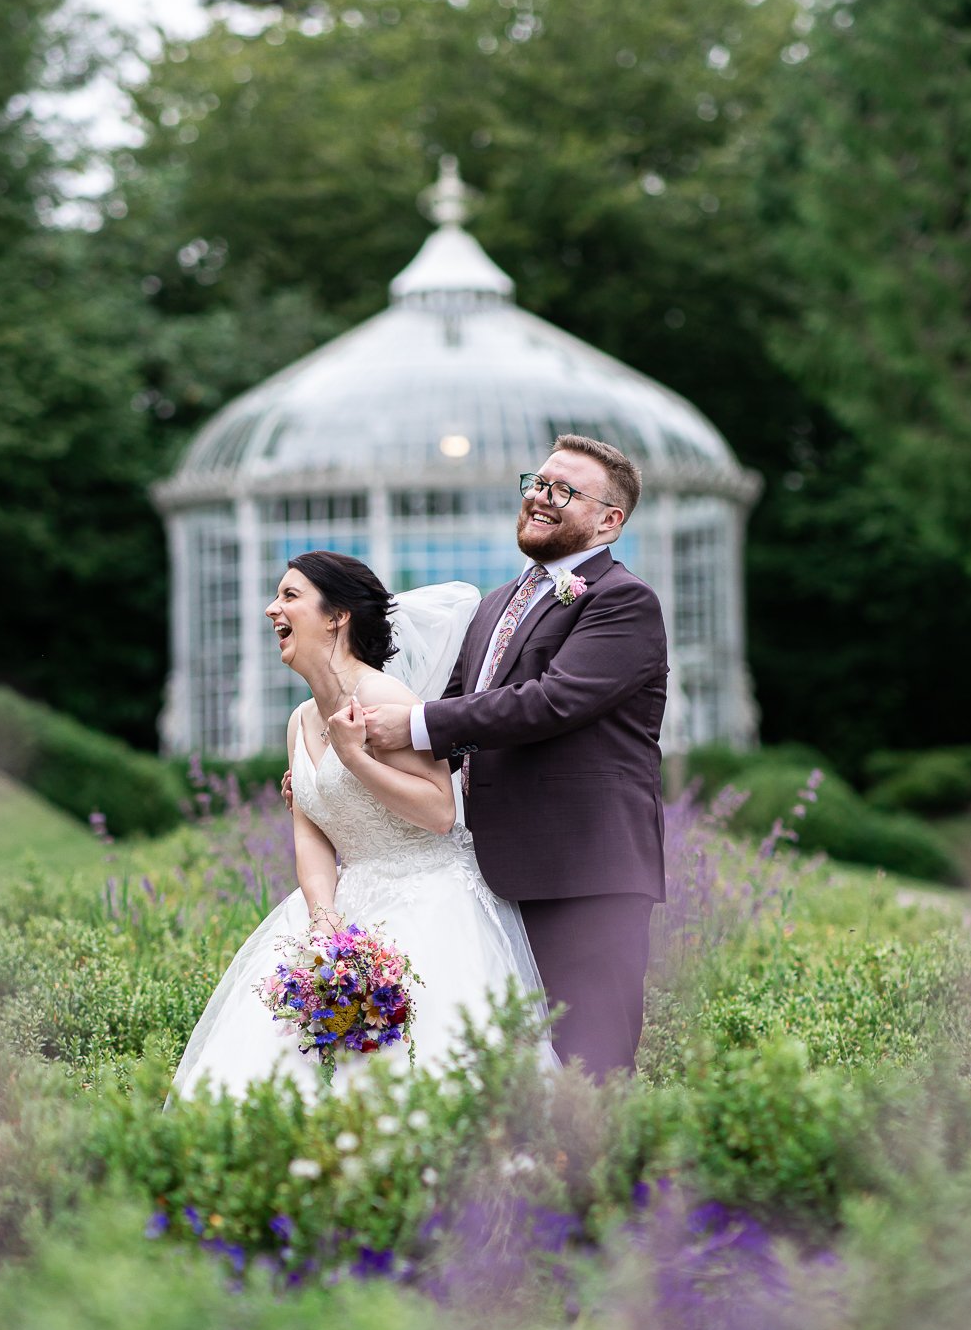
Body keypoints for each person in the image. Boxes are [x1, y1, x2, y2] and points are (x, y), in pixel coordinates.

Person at [168, 551, 545, 1102]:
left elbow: (439, 812)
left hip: (431, 902)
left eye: (290, 596)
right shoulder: (299, 720)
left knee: (417, 1072)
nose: (273, 608)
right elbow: (311, 832)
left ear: (336, 616)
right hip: (346, 901)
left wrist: (357, 760)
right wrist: (324, 923)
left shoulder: (385, 700)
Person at [363, 435, 668, 1081]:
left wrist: (411, 724)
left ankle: (612, 1182)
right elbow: (453, 722)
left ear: (609, 520)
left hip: (583, 871)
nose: (539, 496)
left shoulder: (621, 600)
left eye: (563, 490)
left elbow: (550, 703)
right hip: (488, 869)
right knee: (508, 1060)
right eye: (536, 482)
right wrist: (349, 772)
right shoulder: (493, 604)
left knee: (592, 1063)